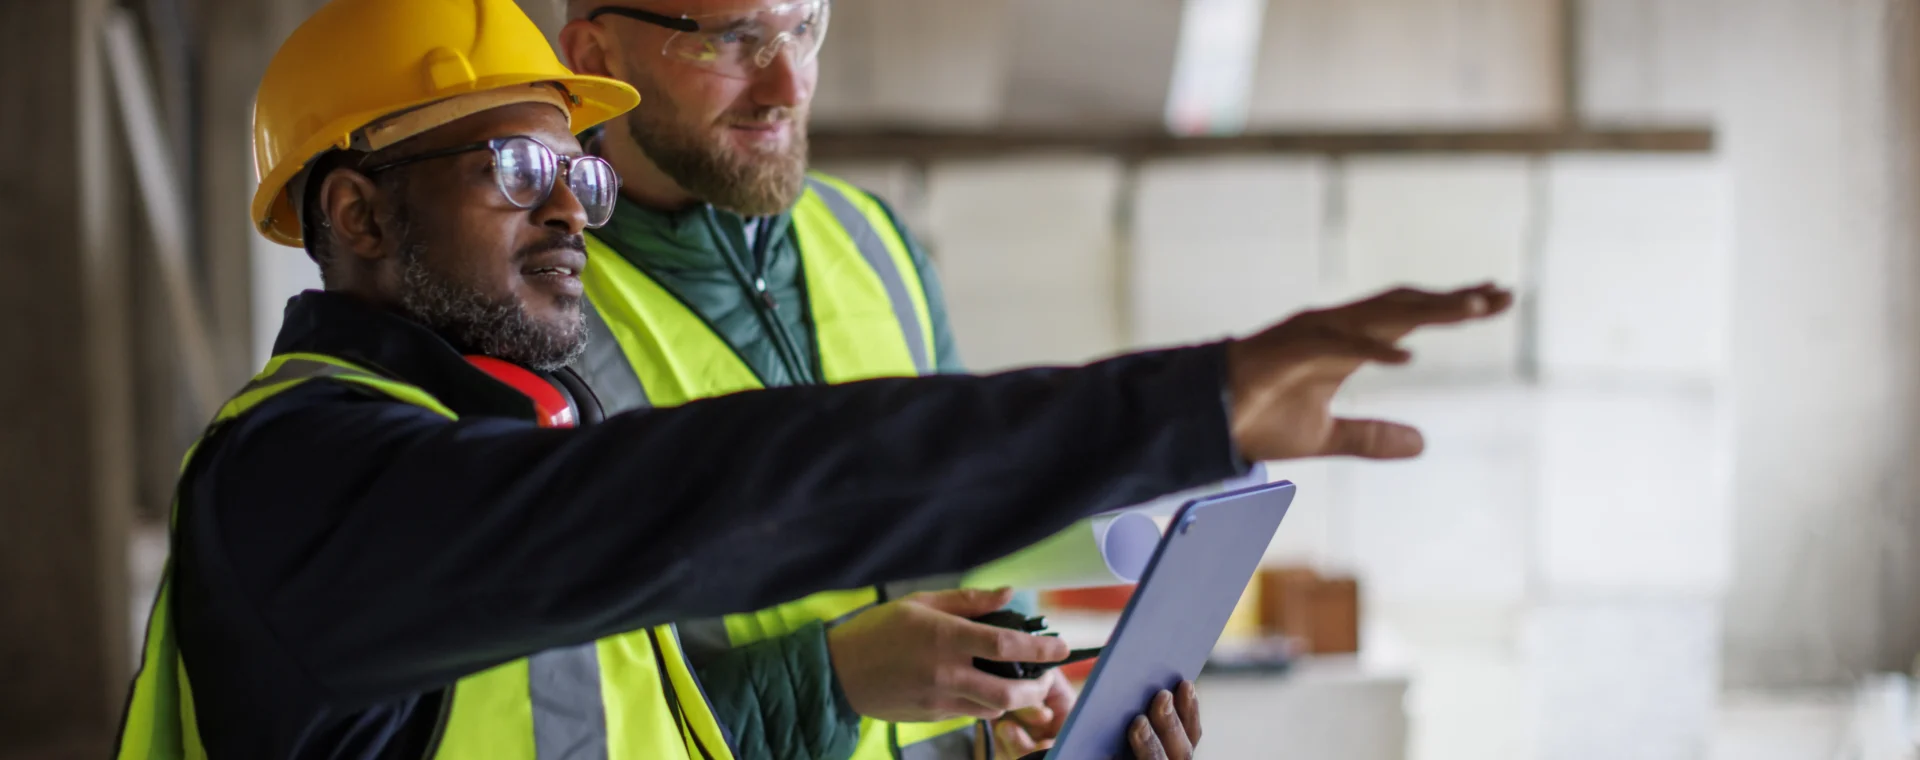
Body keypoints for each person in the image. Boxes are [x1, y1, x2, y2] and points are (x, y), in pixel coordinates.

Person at [114, 1, 1514, 758]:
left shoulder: (514, 427)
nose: (568, 214)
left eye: (578, 175)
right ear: (356, 217)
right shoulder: (315, 487)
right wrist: (1176, 409)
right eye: (518, 170)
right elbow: (736, 490)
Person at [545, 1, 1072, 756]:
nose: (788, 85)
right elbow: (562, 727)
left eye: (803, 27)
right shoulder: (533, 322)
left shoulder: (876, 240)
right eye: (734, 40)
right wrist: (834, 680)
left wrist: (1024, 689)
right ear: (596, 56)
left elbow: (979, 529)